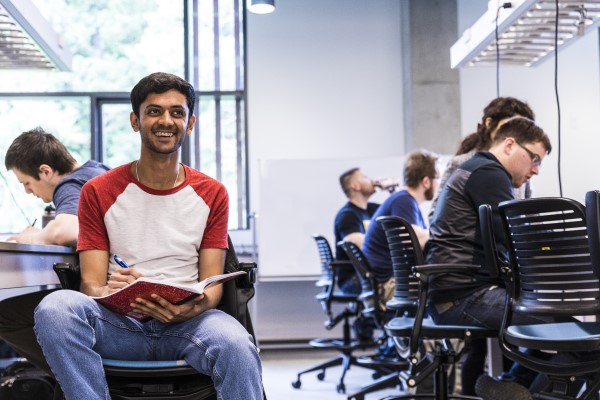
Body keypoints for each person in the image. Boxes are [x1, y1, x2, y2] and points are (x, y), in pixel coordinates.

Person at [33, 72, 263, 400]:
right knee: (55, 308)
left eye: (177, 112)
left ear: (190, 122)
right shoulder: (98, 190)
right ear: (135, 121)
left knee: (237, 344)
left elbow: (212, 287)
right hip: (119, 324)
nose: (166, 120)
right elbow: (90, 284)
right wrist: (106, 290)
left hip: (189, 325)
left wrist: (191, 309)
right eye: (154, 111)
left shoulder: (213, 193)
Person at [425, 116, 554, 399]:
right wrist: (558, 251)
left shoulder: (475, 170)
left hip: (453, 293)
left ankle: (514, 386)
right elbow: (517, 239)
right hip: (462, 296)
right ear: (509, 145)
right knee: (560, 317)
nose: (536, 170)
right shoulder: (489, 173)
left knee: (557, 317)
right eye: (534, 158)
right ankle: (520, 388)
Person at [0, 128, 110, 381]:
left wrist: (30, 237)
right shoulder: (98, 169)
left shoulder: (70, 184)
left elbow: (66, 231)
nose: (27, 191)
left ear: (46, 171)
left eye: (26, 183)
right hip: (119, 285)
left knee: (4, 314)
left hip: (103, 293)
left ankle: (75, 376)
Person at [428, 97, 535, 223]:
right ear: (489, 124)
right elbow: (435, 216)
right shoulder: (461, 163)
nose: (516, 135)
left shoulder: (521, 168)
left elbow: (530, 218)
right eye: (510, 126)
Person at [362, 150, 438, 303]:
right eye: (437, 178)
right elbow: (416, 240)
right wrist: (451, 233)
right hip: (389, 285)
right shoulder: (403, 201)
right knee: (449, 289)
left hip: (384, 282)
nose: (439, 183)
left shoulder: (402, 200)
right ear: (426, 182)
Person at [334, 168, 395, 293]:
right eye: (366, 177)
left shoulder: (373, 209)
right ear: (355, 186)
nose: (372, 180)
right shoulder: (347, 215)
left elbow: (399, 211)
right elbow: (364, 248)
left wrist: (392, 190)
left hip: (371, 274)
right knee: (408, 286)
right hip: (355, 279)